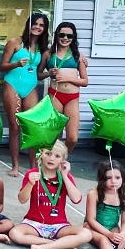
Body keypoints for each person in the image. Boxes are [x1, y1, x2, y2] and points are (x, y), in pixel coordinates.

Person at [9, 140, 91, 249]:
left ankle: (43, 247)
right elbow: (22, 199)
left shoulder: (65, 176)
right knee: (14, 233)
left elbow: (76, 199)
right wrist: (30, 183)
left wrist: (65, 175)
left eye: (57, 156)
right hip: (34, 223)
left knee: (86, 234)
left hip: (59, 225)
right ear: (41, 154)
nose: (51, 158)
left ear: (63, 160)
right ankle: (62, 245)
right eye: (48, 153)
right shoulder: (32, 173)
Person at [0, 14, 49, 176]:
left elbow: (39, 73)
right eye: (35, 23)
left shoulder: (42, 49)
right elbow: (2, 66)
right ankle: (15, 166)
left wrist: (50, 74)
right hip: (12, 84)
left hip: (31, 87)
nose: (37, 27)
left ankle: (33, 166)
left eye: (41, 25)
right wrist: (16, 64)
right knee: (14, 126)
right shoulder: (15, 43)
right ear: (29, 24)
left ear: (45, 29)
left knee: (31, 126)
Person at [38, 22, 88, 155]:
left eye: (69, 36)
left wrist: (67, 79)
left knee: (72, 138)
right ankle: (52, 160)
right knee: (54, 136)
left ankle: (62, 158)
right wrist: (49, 73)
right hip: (55, 95)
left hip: (72, 98)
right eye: (62, 35)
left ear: (73, 37)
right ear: (57, 36)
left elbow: (85, 81)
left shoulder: (78, 55)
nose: (65, 38)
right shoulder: (49, 54)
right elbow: (39, 74)